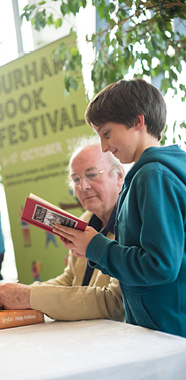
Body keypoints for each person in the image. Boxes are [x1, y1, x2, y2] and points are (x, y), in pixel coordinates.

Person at [53, 78, 186, 338]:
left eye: (106, 133)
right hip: (158, 328)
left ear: (138, 122)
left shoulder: (153, 175)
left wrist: (96, 246)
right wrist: (91, 250)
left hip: (167, 332)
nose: (104, 146)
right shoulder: (147, 173)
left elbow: (160, 265)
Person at [0, 140, 125, 322]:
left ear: (119, 175)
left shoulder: (130, 223)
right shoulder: (86, 220)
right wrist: (23, 292)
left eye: (92, 175)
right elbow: (71, 279)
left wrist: (29, 296)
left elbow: (114, 303)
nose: (83, 187)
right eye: (76, 179)